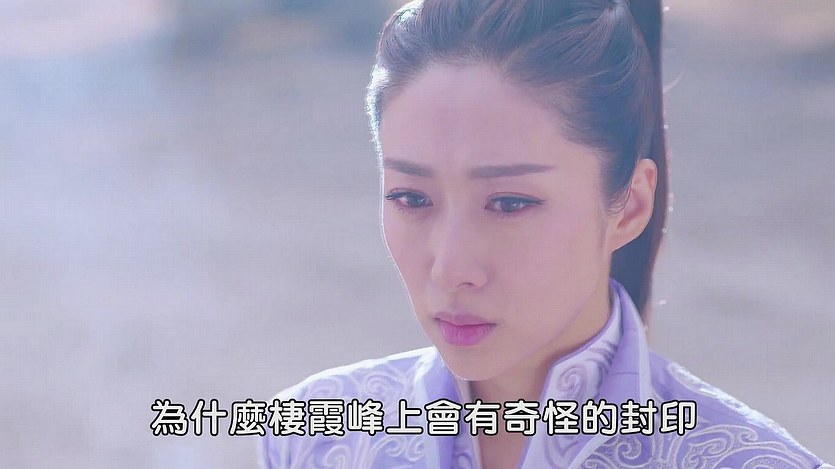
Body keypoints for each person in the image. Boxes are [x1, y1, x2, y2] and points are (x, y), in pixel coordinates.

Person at [259, 0, 832, 467]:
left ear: (629, 205)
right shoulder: (315, 436)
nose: (451, 268)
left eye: (510, 203)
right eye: (411, 199)